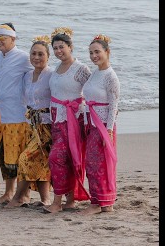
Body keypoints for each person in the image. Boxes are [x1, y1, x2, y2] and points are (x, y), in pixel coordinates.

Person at [44, 27, 92, 214]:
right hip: (57, 119)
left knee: (56, 157)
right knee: (66, 159)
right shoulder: (56, 68)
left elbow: (92, 90)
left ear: (70, 47)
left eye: (61, 47)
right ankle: (70, 200)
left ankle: (57, 202)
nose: (58, 51)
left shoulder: (80, 69)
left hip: (74, 119)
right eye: (55, 48)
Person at [0, 23, 34, 205]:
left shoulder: (24, 58)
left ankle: (22, 194)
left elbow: (37, 75)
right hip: (1, 114)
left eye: (3, 39)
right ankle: (8, 192)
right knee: (5, 154)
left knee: (19, 155)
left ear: (13, 39)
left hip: (18, 113)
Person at [11, 36, 53, 207]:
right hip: (30, 124)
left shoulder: (52, 75)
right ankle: (45, 199)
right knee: (41, 162)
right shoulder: (27, 76)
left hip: (47, 125)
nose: (36, 57)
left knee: (24, 159)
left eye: (40, 54)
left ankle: (18, 197)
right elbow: (22, 99)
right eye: (33, 53)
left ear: (48, 56)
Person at [80, 35, 120, 215]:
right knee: (91, 162)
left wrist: (109, 131)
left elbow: (114, 105)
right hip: (91, 123)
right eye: (91, 52)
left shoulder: (111, 77)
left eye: (97, 51)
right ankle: (97, 200)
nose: (94, 55)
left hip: (103, 125)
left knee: (100, 163)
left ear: (107, 52)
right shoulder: (95, 73)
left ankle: (103, 203)